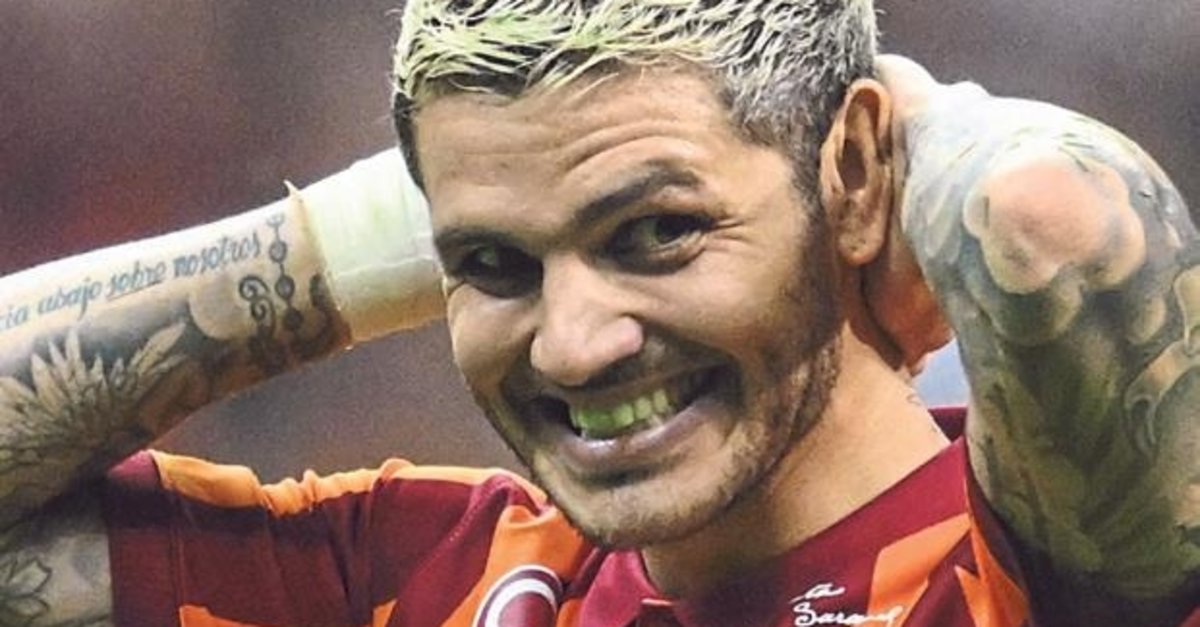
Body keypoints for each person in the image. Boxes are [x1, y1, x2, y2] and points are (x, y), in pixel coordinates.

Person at [1, 0, 1197, 625]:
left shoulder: (1045, 568)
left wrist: (910, 146)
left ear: (850, 171)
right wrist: (362, 238)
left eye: (657, 233)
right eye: (494, 264)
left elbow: (1042, 220)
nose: (576, 344)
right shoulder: (424, 583)